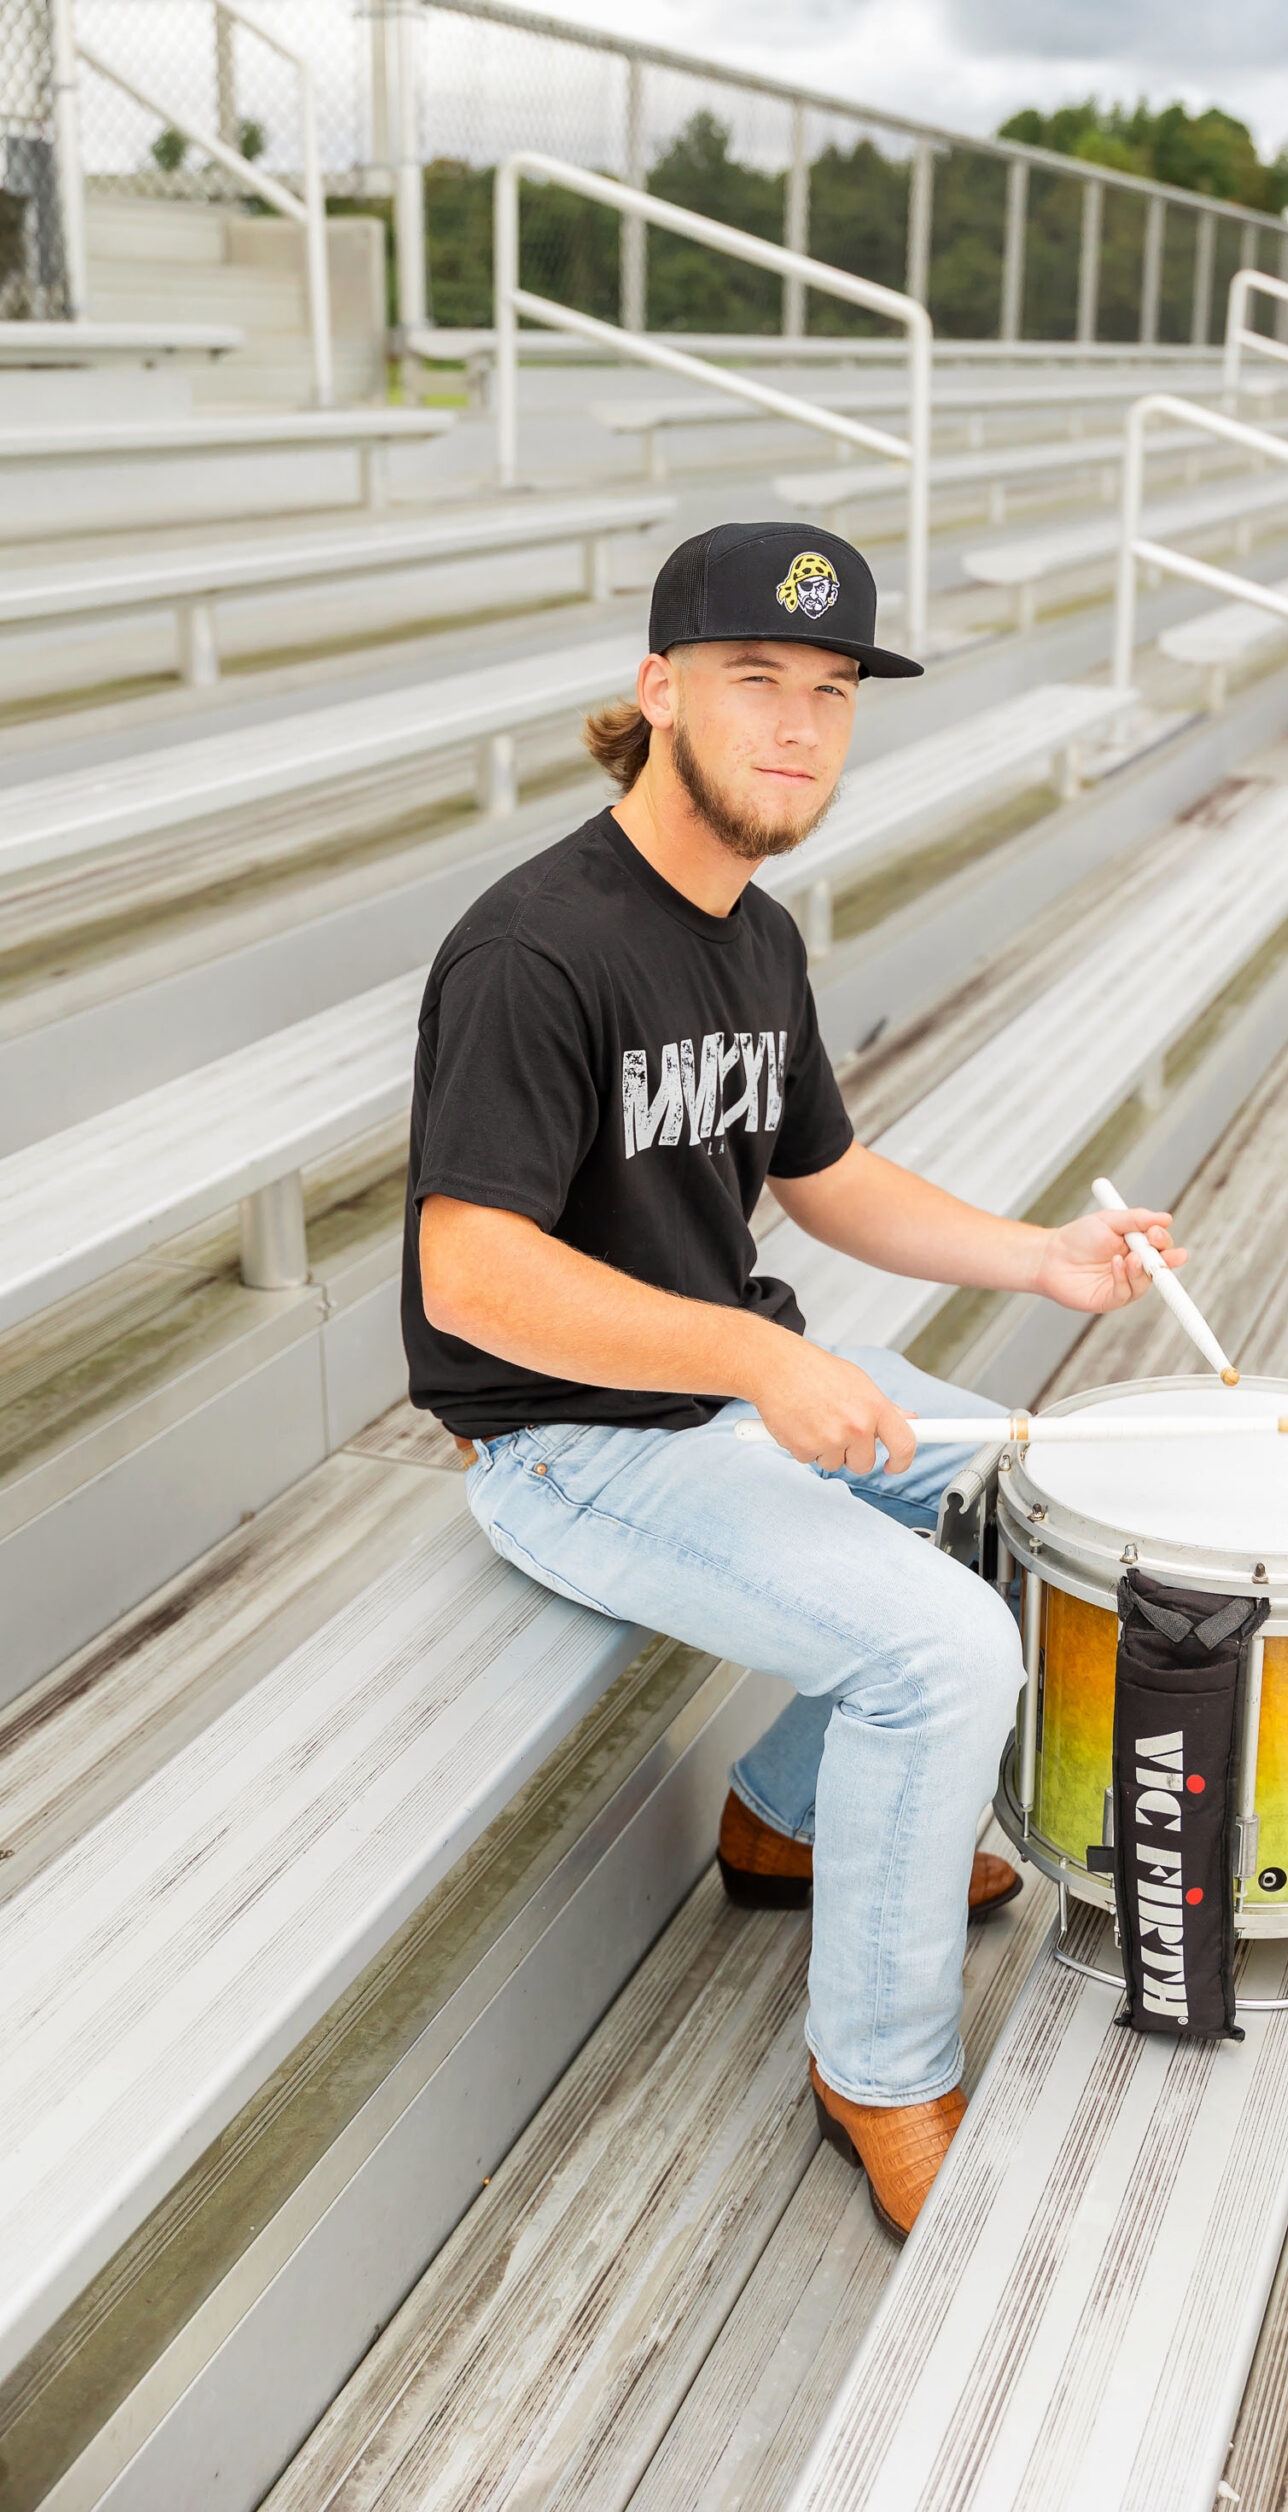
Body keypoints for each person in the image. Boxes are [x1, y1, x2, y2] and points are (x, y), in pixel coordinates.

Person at [403, 521, 1184, 2239]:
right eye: (757, 681)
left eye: (831, 694)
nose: (799, 728)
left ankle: (782, 1820)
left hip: (726, 1392)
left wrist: (1039, 1257)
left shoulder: (752, 934)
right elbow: (473, 1274)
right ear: (656, 690)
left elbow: (824, 1176)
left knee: (1014, 1491)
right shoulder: (535, 949)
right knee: (944, 1643)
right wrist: (762, 1357)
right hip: (572, 1441)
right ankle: (882, 2073)